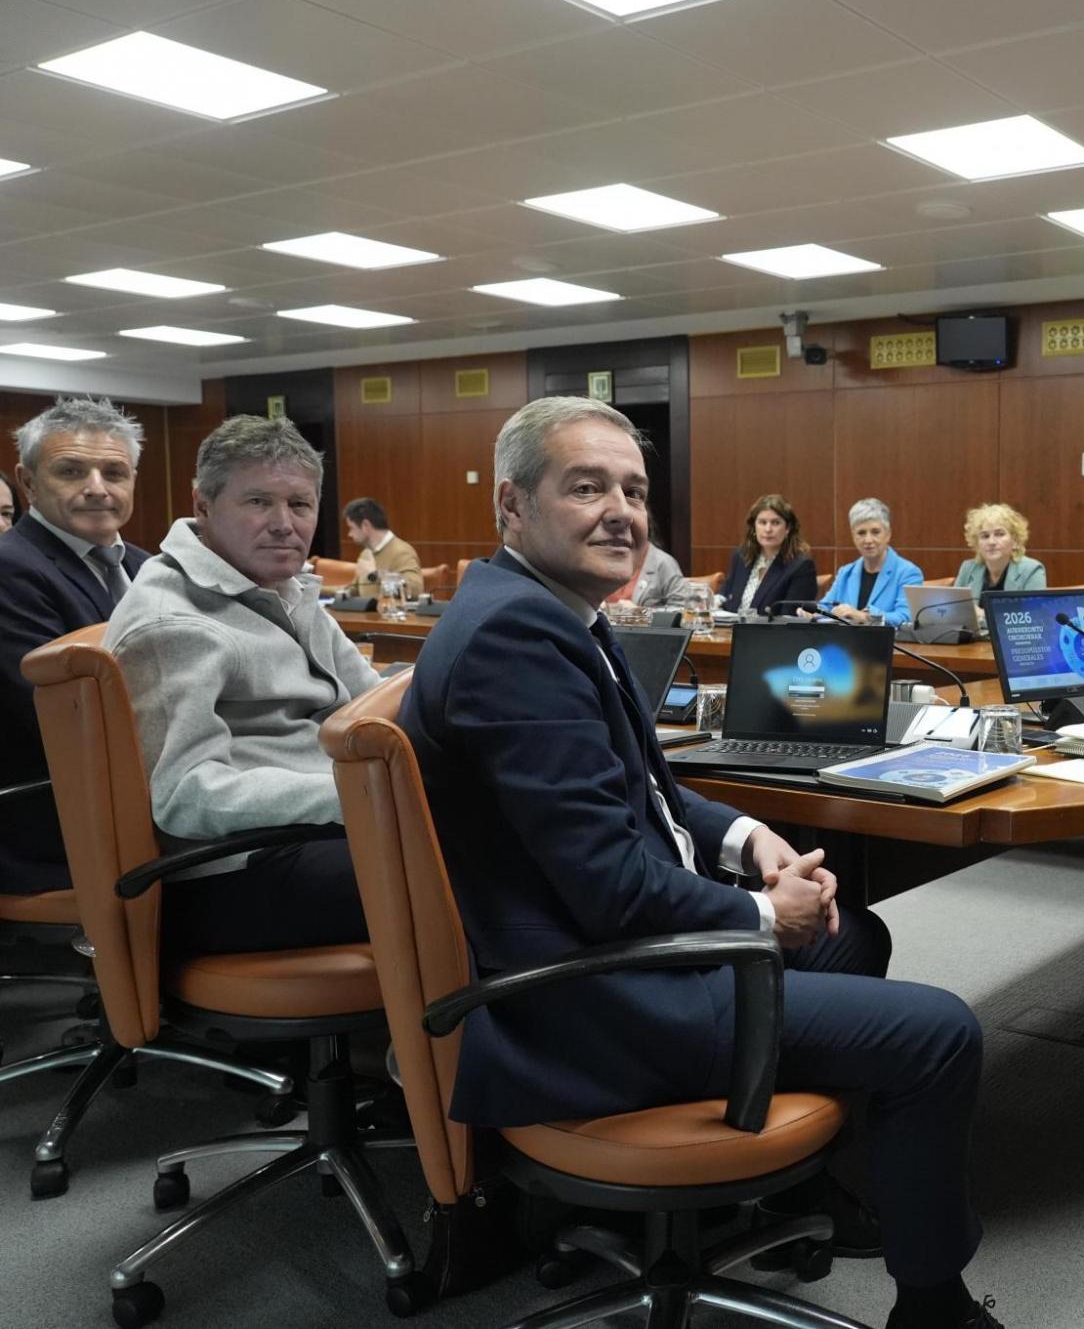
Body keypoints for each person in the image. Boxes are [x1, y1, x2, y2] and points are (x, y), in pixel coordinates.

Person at [401, 398, 999, 1329]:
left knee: (854, 934)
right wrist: (763, 915)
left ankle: (784, 1191)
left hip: (599, 948)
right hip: (591, 995)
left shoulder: (543, 609)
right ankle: (935, 1308)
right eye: (587, 487)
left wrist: (749, 839)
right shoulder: (515, 640)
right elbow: (610, 887)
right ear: (512, 504)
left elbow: (643, 790)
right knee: (940, 1033)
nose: (622, 513)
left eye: (635, 491)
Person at [106, 416, 376, 957]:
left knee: (495, 835)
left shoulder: (282, 587)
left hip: (310, 835)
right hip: (230, 873)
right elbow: (182, 795)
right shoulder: (171, 622)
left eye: (299, 504)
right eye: (258, 502)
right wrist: (350, 793)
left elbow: (371, 704)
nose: (283, 524)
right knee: (477, 871)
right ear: (203, 505)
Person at [0, 398, 150, 895]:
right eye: (71, 471)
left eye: (114, 472)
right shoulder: (10, 569)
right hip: (59, 816)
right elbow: (65, 721)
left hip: (143, 790)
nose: (97, 488)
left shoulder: (148, 567)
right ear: (27, 482)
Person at [819, 497, 924, 625]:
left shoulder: (908, 573)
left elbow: (906, 618)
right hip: (845, 637)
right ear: (853, 536)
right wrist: (812, 613)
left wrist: (866, 617)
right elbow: (825, 607)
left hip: (886, 638)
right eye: (861, 533)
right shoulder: (845, 572)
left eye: (875, 532)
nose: (868, 540)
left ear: (888, 534)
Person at [717, 493, 817, 616]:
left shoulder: (800, 566)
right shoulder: (741, 556)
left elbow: (790, 617)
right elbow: (726, 599)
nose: (768, 529)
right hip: (731, 627)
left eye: (775, 523)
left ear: (788, 528)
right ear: (754, 527)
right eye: (762, 522)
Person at [953, 503, 1045, 602]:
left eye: (999, 534)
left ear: (1015, 541)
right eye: (985, 536)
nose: (991, 542)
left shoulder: (1031, 570)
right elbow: (954, 608)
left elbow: (1034, 610)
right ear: (977, 544)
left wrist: (978, 611)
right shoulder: (968, 569)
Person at [342, 496, 422, 592]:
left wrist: (375, 575)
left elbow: (415, 590)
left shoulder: (401, 552)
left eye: (351, 528)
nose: (349, 534)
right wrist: (325, 589)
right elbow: (354, 590)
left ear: (365, 525)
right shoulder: (366, 553)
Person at [606, 535, 688, 609]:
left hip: (646, 621)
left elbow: (681, 609)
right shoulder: (604, 556)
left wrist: (640, 613)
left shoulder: (663, 563)